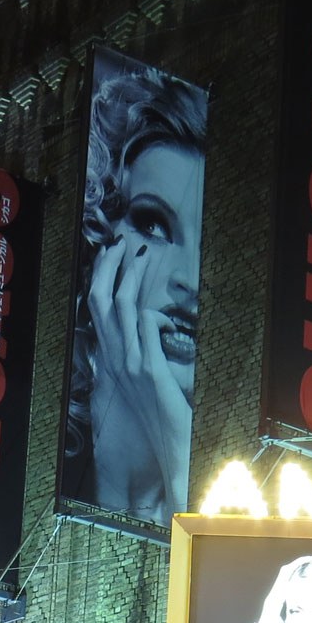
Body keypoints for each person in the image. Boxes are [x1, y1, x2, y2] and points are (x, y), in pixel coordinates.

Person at [62, 53, 208, 525]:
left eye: (205, 246)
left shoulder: (230, 482)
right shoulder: (45, 465)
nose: (190, 279)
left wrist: (177, 443)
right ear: (97, 240)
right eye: (154, 225)